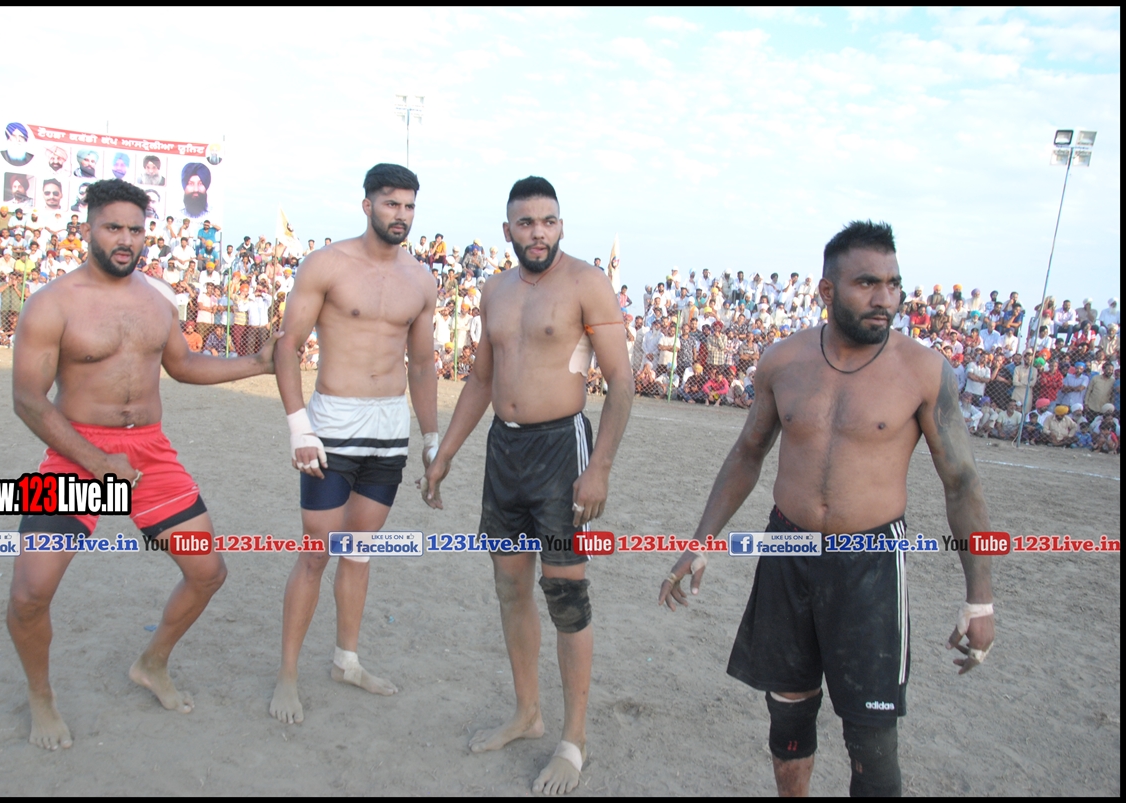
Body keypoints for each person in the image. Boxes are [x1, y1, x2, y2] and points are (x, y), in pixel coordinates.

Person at [658, 221, 994, 797]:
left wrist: (979, 600)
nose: (885, 298)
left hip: (869, 562)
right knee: (788, 719)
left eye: (893, 284)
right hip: (787, 550)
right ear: (826, 290)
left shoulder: (922, 369)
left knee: (872, 743)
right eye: (867, 283)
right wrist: (701, 541)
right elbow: (747, 453)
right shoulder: (783, 360)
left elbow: (961, 483)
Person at [5, 180, 281, 751]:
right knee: (30, 594)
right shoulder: (52, 303)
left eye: (135, 229)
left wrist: (258, 363)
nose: (126, 239)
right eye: (113, 227)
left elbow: (183, 365)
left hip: (149, 452)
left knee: (208, 573)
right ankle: (41, 696)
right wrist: (95, 460)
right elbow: (28, 399)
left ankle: (151, 663)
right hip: (74, 452)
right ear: (88, 228)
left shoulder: (158, 301)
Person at [421, 176, 634, 795]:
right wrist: (444, 454)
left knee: (565, 594)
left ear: (561, 225)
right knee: (510, 585)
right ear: (507, 229)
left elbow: (621, 382)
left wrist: (599, 468)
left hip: (561, 450)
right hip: (505, 450)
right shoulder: (495, 290)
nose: (538, 233)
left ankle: (574, 740)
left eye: (548, 221)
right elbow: (481, 380)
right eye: (526, 223)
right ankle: (527, 712)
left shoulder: (587, 283)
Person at [269, 164, 439, 725]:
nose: (401, 215)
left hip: (388, 431)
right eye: (391, 204)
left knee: (360, 551)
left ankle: (347, 660)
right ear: (367, 205)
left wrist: (431, 439)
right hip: (333, 425)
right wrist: (299, 426)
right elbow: (288, 345)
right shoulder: (327, 264)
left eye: (409, 206)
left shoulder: (421, 280)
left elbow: (422, 364)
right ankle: (288, 674)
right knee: (316, 551)